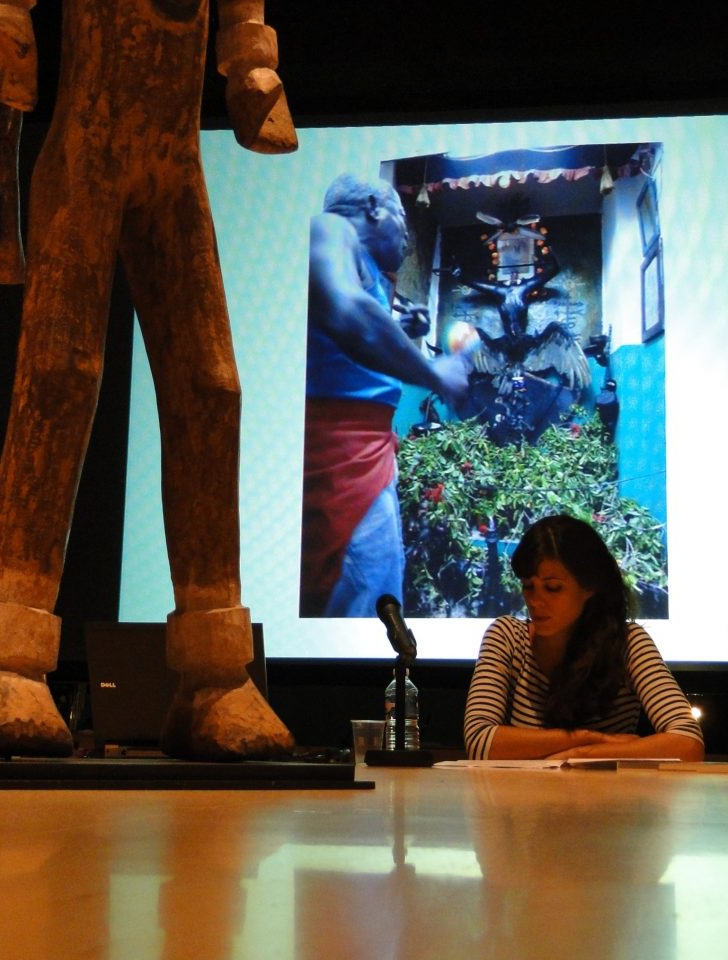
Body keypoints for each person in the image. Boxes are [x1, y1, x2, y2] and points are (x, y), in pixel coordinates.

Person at [299, 173, 473, 617]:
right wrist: (435, 374)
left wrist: (401, 327)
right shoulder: (331, 228)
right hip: (342, 452)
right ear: (374, 208)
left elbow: (352, 343)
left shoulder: (368, 270)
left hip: (368, 448)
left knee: (371, 587)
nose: (407, 242)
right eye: (402, 222)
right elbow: (345, 311)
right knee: (365, 600)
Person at [463, 514, 704, 760]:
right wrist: (590, 738)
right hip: (523, 787)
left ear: (589, 586)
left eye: (553, 587)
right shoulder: (507, 637)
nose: (535, 601)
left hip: (607, 787)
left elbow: (688, 742)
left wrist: (583, 754)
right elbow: (479, 742)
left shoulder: (628, 643)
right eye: (528, 586)